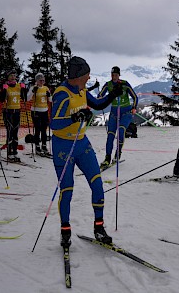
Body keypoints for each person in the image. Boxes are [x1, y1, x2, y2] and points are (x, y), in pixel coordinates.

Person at [50, 56, 123, 247]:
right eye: (87, 75)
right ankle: (65, 230)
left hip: (82, 144)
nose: (89, 79)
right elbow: (54, 123)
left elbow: (98, 104)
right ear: (78, 75)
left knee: (97, 185)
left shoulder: (81, 90)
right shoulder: (62, 94)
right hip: (63, 147)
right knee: (67, 191)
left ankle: (99, 228)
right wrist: (75, 117)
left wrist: (113, 95)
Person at [99, 66, 138, 169]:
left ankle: (118, 153)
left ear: (119, 75)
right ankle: (107, 158)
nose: (114, 77)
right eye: (112, 75)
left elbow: (134, 97)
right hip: (114, 113)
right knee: (110, 135)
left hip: (126, 112)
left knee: (121, 130)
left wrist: (134, 107)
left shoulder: (124, 84)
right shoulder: (108, 85)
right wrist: (99, 98)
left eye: (116, 75)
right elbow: (100, 95)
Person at [0, 70, 27, 162]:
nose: (13, 77)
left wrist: (24, 89)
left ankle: (14, 151)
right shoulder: (6, 86)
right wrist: (3, 90)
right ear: (7, 77)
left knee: (15, 131)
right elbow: (2, 99)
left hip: (17, 111)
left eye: (14, 75)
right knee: (10, 131)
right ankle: (9, 152)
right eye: (11, 75)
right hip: (8, 111)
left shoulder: (18, 86)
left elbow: (24, 98)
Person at [27, 73, 51, 155]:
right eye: (40, 80)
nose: (42, 82)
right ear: (36, 81)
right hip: (35, 110)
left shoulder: (46, 88)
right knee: (37, 129)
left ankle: (44, 146)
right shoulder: (33, 87)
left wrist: (49, 95)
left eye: (43, 80)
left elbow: (50, 100)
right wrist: (33, 92)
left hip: (44, 110)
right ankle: (37, 146)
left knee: (44, 129)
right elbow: (28, 98)